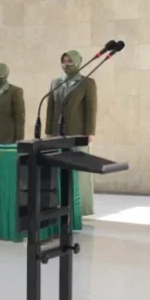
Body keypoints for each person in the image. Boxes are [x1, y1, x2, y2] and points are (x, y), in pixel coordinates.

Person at [45, 51, 98, 215]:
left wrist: (90, 132)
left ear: (78, 62)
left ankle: (81, 208)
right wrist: (48, 131)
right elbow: (50, 108)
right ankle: (60, 205)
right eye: (64, 61)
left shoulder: (86, 82)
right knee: (59, 169)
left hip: (78, 133)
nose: (66, 64)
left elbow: (91, 109)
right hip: (57, 133)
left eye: (69, 61)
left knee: (79, 171)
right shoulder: (56, 83)